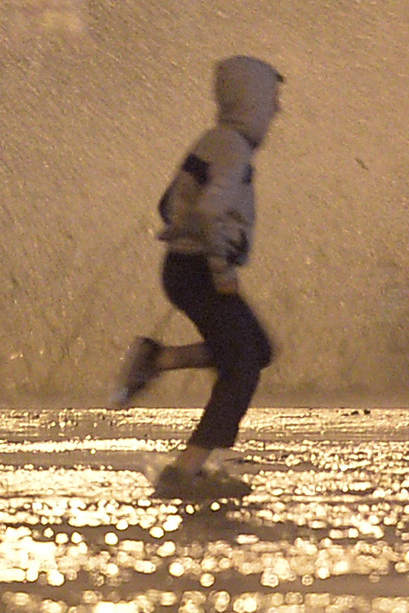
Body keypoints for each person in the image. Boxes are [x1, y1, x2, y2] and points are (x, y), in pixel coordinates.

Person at [108, 54, 284, 489]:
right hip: (201, 270)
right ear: (253, 102)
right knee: (243, 363)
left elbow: (168, 204)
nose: (277, 111)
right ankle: (185, 470)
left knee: (256, 348)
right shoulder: (234, 149)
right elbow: (208, 209)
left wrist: (186, 232)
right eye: (272, 102)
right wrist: (221, 265)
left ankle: (160, 359)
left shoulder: (214, 140)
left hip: (185, 267)